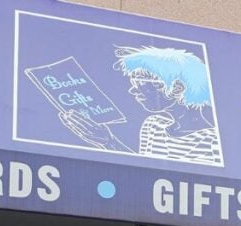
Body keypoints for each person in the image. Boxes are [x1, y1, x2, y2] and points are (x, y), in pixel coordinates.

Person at [58, 46, 221, 164]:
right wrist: (107, 141)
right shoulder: (153, 126)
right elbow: (143, 179)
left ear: (177, 87)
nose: (133, 90)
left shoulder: (212, 141)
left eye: (141, 83)